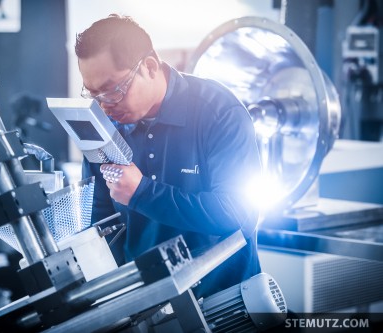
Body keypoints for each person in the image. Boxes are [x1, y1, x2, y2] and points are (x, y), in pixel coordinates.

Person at [75, 14, 262, 299]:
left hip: (224, 300)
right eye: (94, 94)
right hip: (144, 305)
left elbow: (237, 214)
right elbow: (97, 223)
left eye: (113, 90)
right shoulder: (106, 127)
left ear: (149, 66)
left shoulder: (218, 112)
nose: (104, 105)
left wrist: (143, 193)